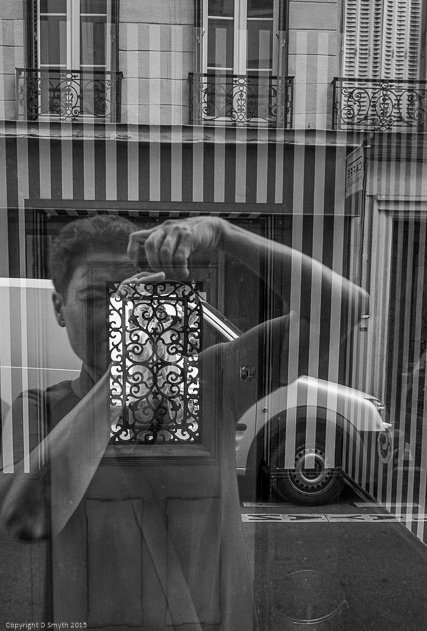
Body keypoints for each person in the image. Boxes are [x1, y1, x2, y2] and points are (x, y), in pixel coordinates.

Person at [0, 214, 368, 629]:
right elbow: (26, 516)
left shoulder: (212, 383)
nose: (118, 312)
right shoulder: (41, 407)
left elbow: (345, 308)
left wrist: (223, 234)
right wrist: (130, 367)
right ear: (59, 308)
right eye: (94, 298)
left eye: (130, 294)